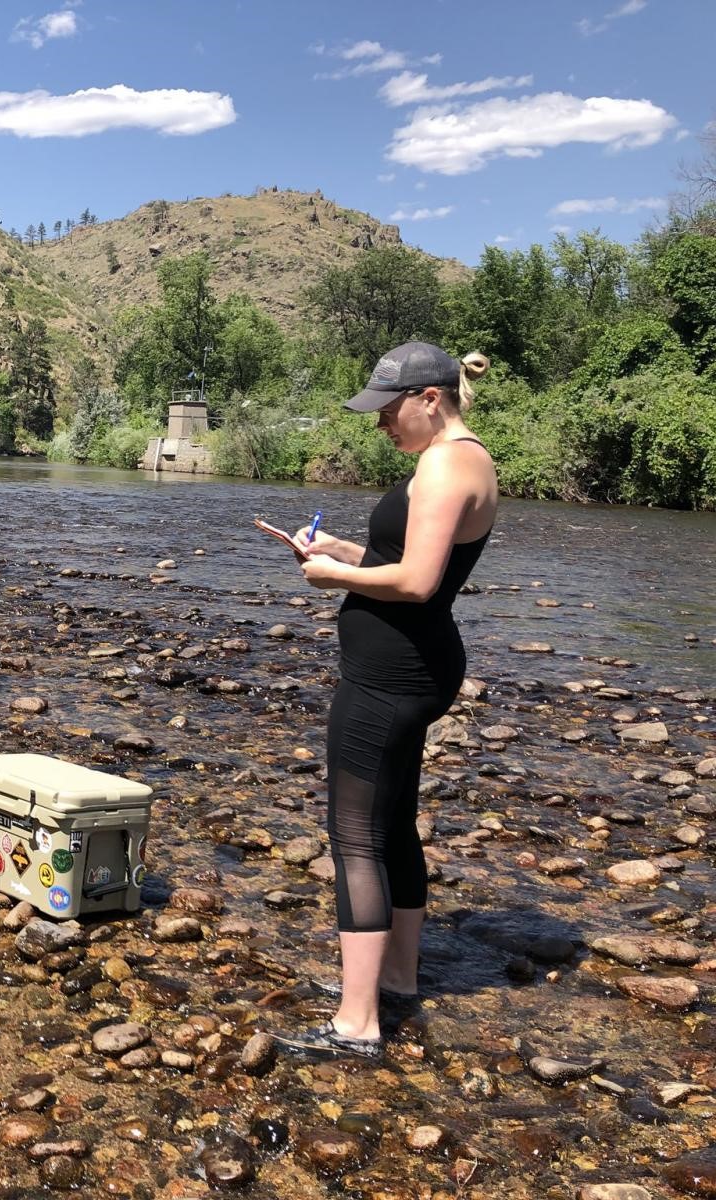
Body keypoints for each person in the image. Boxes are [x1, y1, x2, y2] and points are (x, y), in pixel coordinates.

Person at [279, 342, 497, 1059]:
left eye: (388, 410)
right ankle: (397, 979)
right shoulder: (468, 458)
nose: (381, 426)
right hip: (416, 667)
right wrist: (339, 549)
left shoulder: (443, 465)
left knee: (355, 838)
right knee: (393, 824)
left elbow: (417, 583)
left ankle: (356, 1021)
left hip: (390, 675)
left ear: (430, 398)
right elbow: (401, 559)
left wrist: (328, 581)